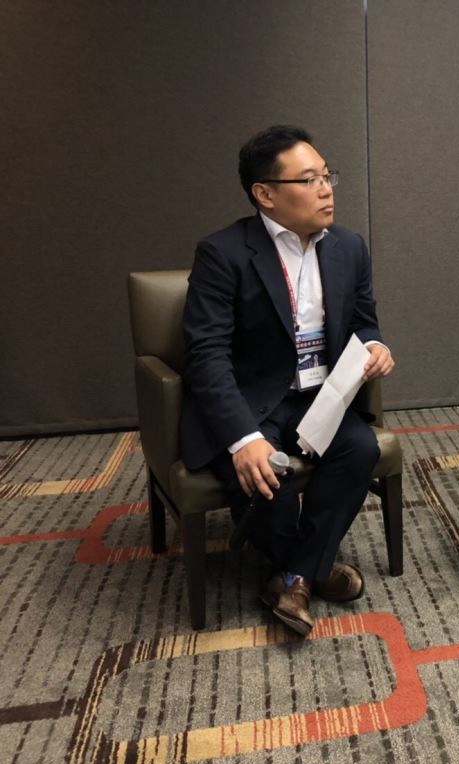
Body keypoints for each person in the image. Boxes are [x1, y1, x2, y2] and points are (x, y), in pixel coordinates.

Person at [180, 125, 395, 637]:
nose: (326, 190)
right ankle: (310, 569)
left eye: (327, 176)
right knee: (266, 481)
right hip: (252, 403)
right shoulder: (224, 253)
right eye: (309, 179)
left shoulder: (349, 247)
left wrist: (375, 346)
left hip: (321, 399)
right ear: (265, 193)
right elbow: (206, 355)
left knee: (361, 449)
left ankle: (293, 578)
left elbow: (364, 322)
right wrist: (243, 439)